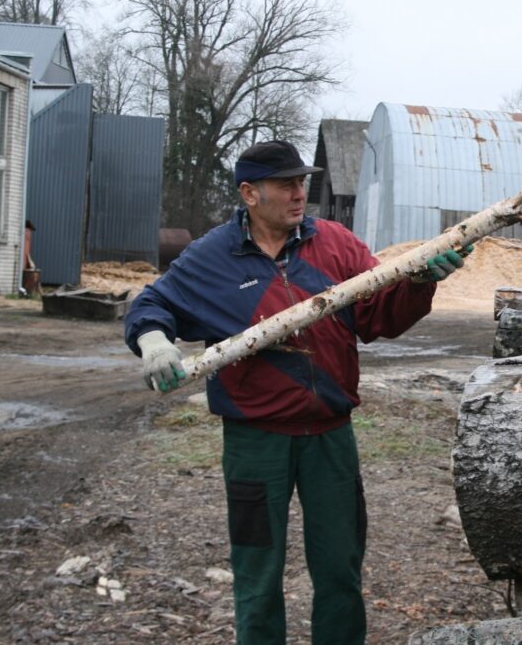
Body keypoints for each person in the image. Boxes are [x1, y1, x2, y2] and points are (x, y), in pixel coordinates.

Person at [124, 139, 470, 644]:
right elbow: (151, 303)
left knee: (339, 569)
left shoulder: (336, 244)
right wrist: (154, 341)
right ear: (250, 193)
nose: (299, 193)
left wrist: (418, 284)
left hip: (330, 437)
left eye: (301, 182)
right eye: (286, 184)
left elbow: (378, 317)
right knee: (257, 575)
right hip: (255, 443)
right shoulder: (213, 257)